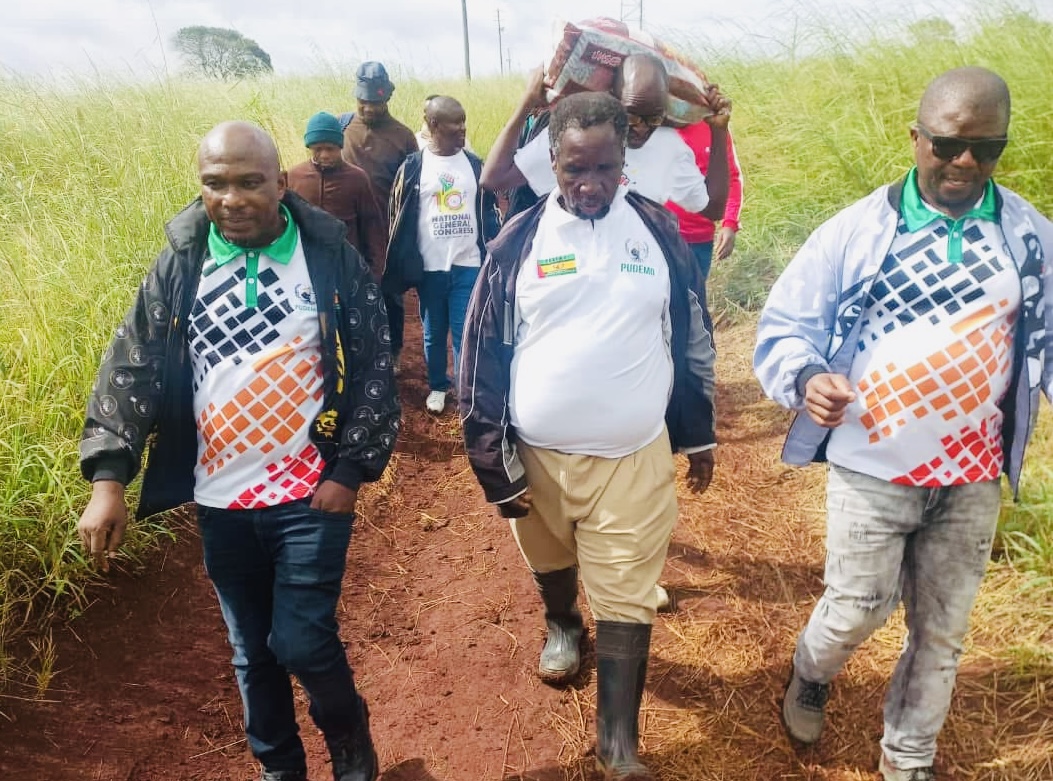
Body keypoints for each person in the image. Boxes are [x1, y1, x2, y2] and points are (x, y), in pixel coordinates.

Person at [753, 67, 1053, 781]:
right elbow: (787, 326)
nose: (964, 164)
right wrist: (805, 377)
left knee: (941, 632)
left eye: (986, 149)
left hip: (972, 474)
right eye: (948, 145)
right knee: (855, 608)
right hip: (872, 466)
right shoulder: (857, 230)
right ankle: (808, 671)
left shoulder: (1026, 235)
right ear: (915, 137)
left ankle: (907, 757)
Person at [77, 120, 400, 781]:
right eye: (215, 184)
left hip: (310, 491)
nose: (233, 199)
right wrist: (108, 477)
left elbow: (373, 364)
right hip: (220, 497)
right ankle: (279, 769)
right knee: (252, 653)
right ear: (200, 189)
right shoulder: (181, 261)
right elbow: (131, 364)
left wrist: (350, 468)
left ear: (280, 183)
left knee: (302, 640)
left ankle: (350, 747)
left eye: (250, 182)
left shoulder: (326, 256)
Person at [460, 91, 717, 781]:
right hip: (537, 454)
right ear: (552, 162)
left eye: (604, 167)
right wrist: (492, 457)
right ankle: (562, 622)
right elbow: (480, 350)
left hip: (631, 456)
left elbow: (690, 329)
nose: (590, 183)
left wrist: (698, 433)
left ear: (622, 161)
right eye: (575, 168)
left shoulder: (656, 231)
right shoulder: (519, 241)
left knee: (628, 591)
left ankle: (616, 744)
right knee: (549, 557)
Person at [480, 54, 731, 223]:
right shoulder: (576, 138)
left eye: (653, 118)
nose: (642, 129)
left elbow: (713, 208)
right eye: (631, 116)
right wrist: (526, 103)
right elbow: (494, 179)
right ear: (613, 97)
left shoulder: (668, 146)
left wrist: (719, 132)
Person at [384, 96, 498, 415]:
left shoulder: (475, 165)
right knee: (434, 334)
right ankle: (437, 385)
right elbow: (398, 215)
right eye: (454, 122)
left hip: (468, 265)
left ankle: (465, 392)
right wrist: (403, 260)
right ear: (433, 125)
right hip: (431, 268)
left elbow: (488, 212)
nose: (462, 128)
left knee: (465, 331)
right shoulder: (414, 167)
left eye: (464, 120)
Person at [342, 61, 419, 374]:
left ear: (386, 99)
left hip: (388, 228)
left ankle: (395, 351)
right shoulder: (342, 128)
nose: (368, 109)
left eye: (374, 103)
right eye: (363, 102)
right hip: (349, 227)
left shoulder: (403, 136)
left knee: (390, 292)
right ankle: (355, 350)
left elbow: (415, 186)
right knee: (349, 290)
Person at [287, 111, 388, 275]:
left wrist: (374, 272)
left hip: (347, 266)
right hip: (305, 266)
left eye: (330, 149)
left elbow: (372, 227)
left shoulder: (357, 178)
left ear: (340, 146)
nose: (325, 155)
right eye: (318, 149)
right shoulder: (294, 177)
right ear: (310, 148)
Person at [665, 121, 743, 304]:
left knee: (690, 307)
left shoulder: (715, 128)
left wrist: (730, 223)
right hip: (659, 237)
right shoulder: (653, 129)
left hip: (699, 241)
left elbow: (732, 179)